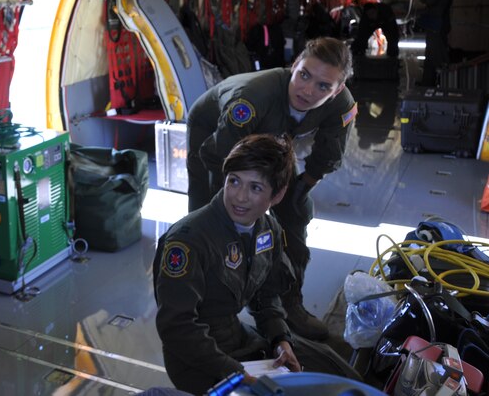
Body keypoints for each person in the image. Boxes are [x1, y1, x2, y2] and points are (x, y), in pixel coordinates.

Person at [154, 134, 361, 394]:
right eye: (234, 181)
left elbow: (266, 296)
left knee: (334, 371)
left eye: (255, 188)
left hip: (240, 339)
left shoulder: (268, 229)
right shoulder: (188, 241)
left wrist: (280, 339)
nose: (239, 197)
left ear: (278, 194)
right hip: (196, 358)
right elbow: (177, 328)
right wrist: (234, 372)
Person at [185, 37, 356, 340]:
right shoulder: (252, 99)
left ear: (337, 89)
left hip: (272, 137)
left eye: (323, 86)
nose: (307, 90)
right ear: (294, 66)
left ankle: (289, 305)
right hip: (214, 140)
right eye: (304, 75)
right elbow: (221, 158)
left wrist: (295, 191)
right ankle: (203, 310)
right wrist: (252, 203)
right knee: (209, 221)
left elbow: (327, 157)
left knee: (296, 211)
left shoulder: (341, 105)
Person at [417, 0, 456, 86]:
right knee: (432, 54)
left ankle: (445, 84)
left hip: (436, 22)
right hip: (440, 21)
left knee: (437, 55)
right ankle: (428, 82)